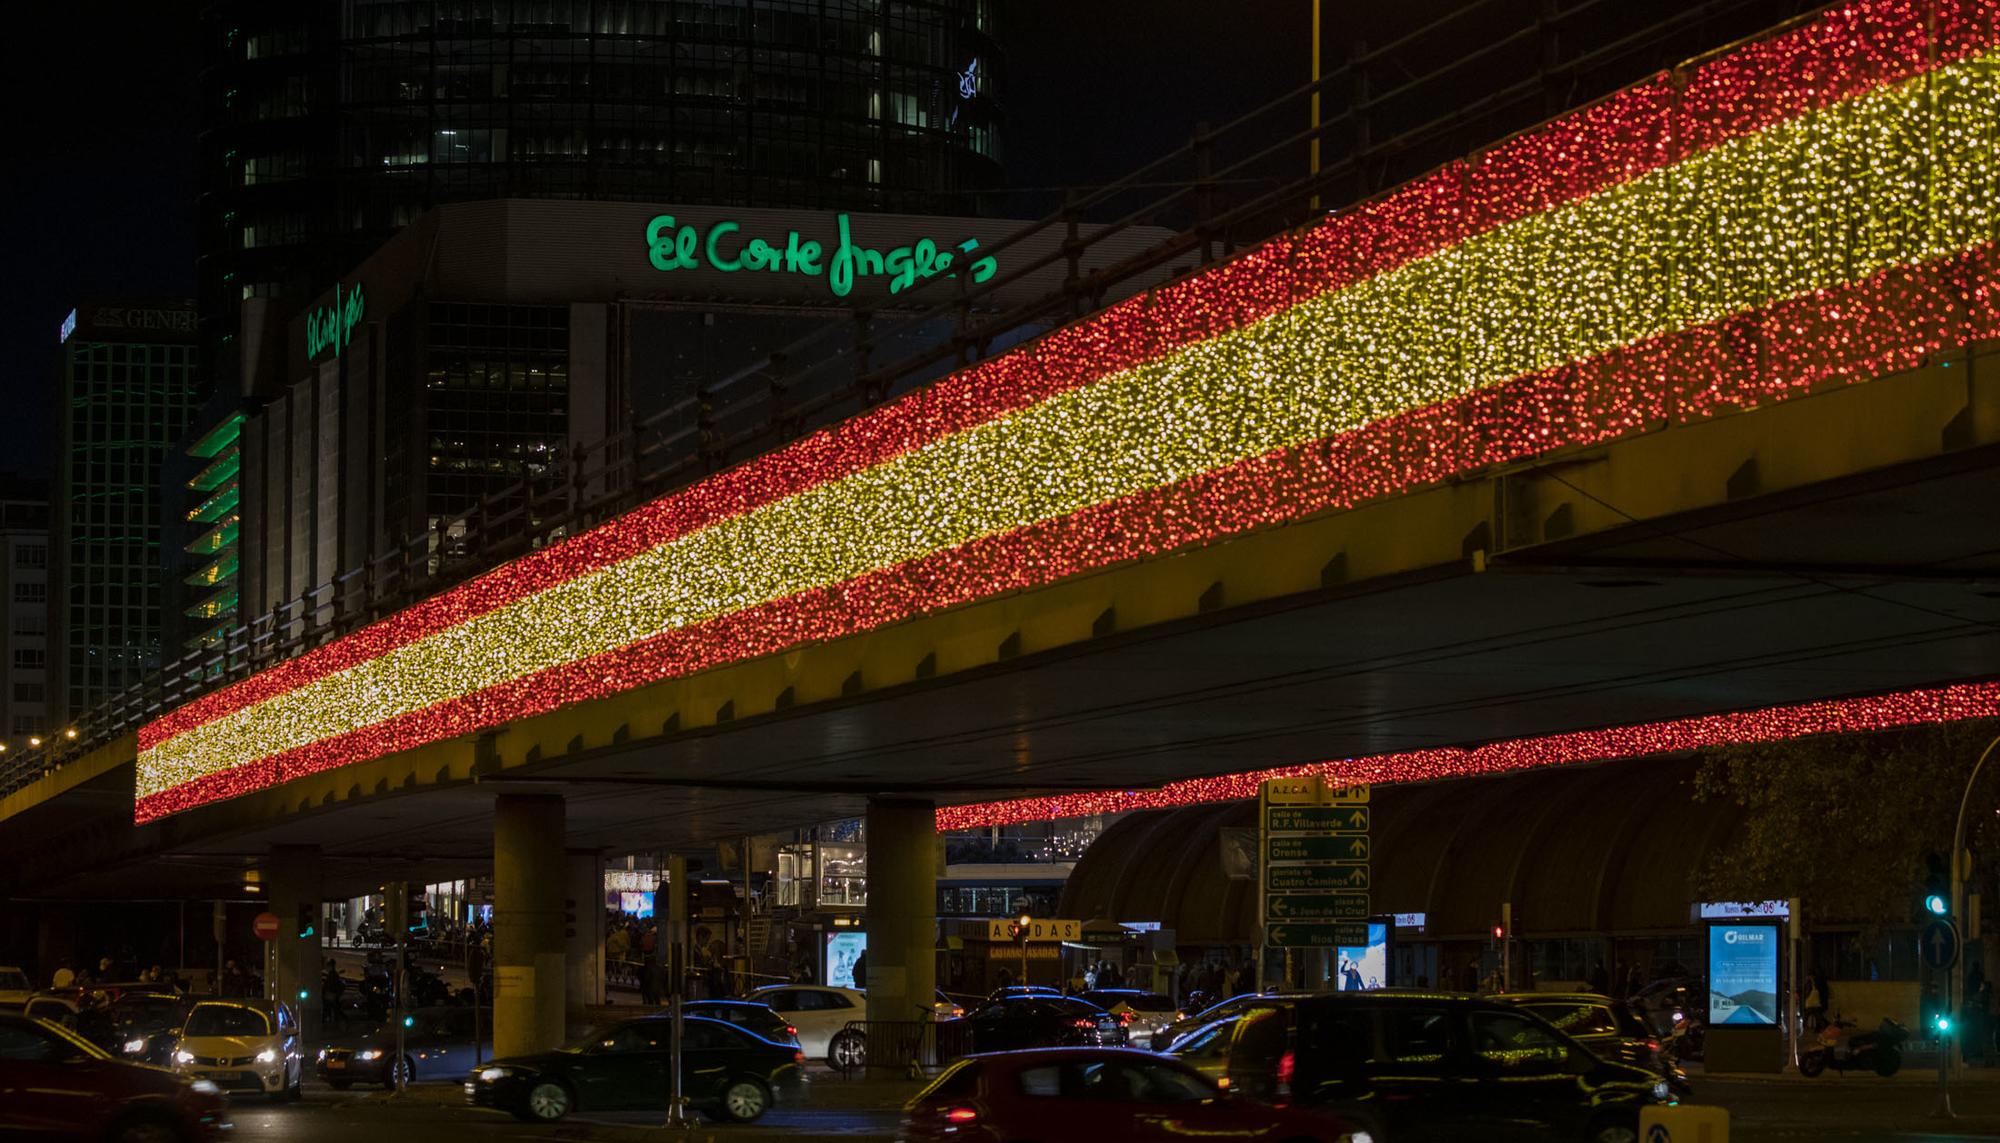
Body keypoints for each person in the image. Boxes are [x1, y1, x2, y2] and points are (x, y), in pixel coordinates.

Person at [321, 959, 346, 1026]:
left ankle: (340, 1021)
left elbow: (330, 985)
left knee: (331, 1009)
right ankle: (340, 1021)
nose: (326, 968)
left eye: (327, 966)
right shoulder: (333, 974)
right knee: (335, 1009)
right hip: (331, 995)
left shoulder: (332, 975)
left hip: (330, 995)